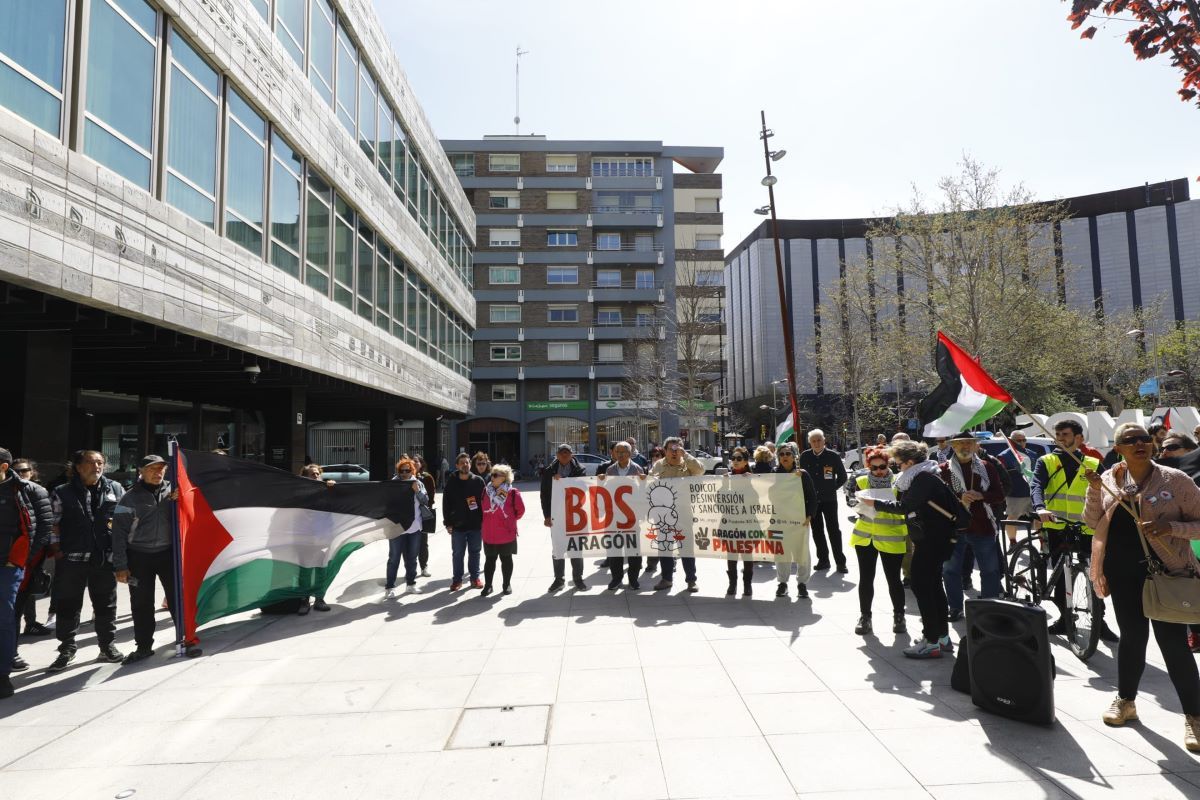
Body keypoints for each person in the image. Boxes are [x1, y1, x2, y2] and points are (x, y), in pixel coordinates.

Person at [1085, 422, 1200, 752]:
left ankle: (1194, 716)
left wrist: (1170, 527)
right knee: (1131, 639)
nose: (1139, 443)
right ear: (1117, 448)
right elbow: (1092, 522)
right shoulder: (1109, 479)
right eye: (1129, 440)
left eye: (1144, 439)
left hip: (1166, 574)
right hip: (1122, 575)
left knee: (1173, 645)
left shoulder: (1175, 480)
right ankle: (1126, 701)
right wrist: (1094, 490)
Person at [859, 440, 958, 658]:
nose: (897, 467)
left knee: (922, 587)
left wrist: (873, 503)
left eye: (898, 463)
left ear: (910, 462)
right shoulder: (926, 474)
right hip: (937, 539)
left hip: (931, 540)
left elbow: (904, 507)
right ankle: (942, 637)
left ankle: (931, 641)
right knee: (933, 586)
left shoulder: (922, 478)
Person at [1032, 419, 1117, 641]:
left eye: (1065, 434)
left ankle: (1100, 620)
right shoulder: (1046, 461)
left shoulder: (1092, 462)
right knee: (1061, 575)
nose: (1060, 438)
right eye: (1057, 434)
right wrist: (1040, 508)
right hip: (1057, 526)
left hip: (1087, 527)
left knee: (1096, 574)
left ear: (1079, 438)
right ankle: (1064, 618)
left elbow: (1108, 491)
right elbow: (1036, 486)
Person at [48, 450, 125, 671]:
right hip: (71, 559)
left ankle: (107, 646)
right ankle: (67, 648)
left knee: (106, 604)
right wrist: (57, 551)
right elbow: (53, 523)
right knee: (68, 605)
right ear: (78, 467)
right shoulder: (62, 491)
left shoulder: (115, 489)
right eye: (91, 463)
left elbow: (122, 522)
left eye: (100, 463)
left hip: (103, 558)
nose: (97, 467)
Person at [112, 456, 191, 664]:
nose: (158, 473)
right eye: (152, 469)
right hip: (138, 557)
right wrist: (120, 565)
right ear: (141, 470)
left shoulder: (174, 491)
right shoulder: (128, 498)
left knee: (178, 599)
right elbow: (118, 533)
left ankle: (185, 639)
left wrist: (180, 499)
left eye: (161, 469)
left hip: (168, 554)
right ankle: (144, 646)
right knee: (141, 603)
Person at [0, 447, 52, 697]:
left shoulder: (29, 491)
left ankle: (2, 674)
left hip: (9, 567)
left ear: (4, 468)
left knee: (5, 618)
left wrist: (21, 561)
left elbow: (42, 529)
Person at [938, 432, 1005, 622]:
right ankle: (955, 608)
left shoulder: (986, 467)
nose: (965, 447)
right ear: (953, 446)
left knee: (990, 570)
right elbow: (938, 499)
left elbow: (999, 494)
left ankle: (989, 606)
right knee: (950, 570)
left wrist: (981, 495)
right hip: (954, 528)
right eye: (960, 444)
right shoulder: (943, 470)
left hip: (982, 526)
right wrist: (959, 498)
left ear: (976, 446)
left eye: (969, 443)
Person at [850, 447, 908, 635]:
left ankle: (899, 616)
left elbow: (904, 507)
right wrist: (857, 504)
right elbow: (852, 503)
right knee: (866, 579)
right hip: (865, 537)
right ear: (868, 467)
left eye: (882, 466)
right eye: (874, 468)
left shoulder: (898, 482)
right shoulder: (861, 481)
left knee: (894, 580)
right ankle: (864, 617)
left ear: (888, 464)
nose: (879, 471)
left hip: (891, 537)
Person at [648, 437, 705, 592]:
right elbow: (649, 482)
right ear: (665, 451)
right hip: (663, 513)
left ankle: (691, 580)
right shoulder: (658, 466)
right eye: (671, 449)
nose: (674, 452)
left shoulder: (688, 464)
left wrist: (685, 455)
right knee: (665, 546)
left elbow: (700, 470)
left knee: (686, 547)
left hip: (684, 511)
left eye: (677, 449)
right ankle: (666, 579)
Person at [10, 459, 53, 641]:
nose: (22, 473)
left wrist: (30, 554)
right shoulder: (9, 490)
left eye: (25, 470)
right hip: (12, 553)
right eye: (17, 470)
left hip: (30, 553)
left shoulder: (37, 491)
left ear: (32, 472)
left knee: (25, 592)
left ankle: (25, 629)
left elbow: (44, 525)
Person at [799, 429, 849, 573]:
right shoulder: (805, 456)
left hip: (829, 500)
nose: (816, 443)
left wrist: (831, 488)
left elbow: (843, 476)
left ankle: (840, 562)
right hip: (812, 501)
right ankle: (823, 560)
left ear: (824, 440)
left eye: (819, 440)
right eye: (813, 441)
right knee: (817, 531)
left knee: (833, 530)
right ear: (810, 442)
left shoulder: (833, 456)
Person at [773, 443, 816, 599]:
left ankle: (802, 584)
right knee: (781, 552)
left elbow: (812, 497)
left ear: (794, 457)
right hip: (779, 521)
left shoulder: (802, 475)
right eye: (782, 454)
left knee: (802, 551)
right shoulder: (773, 474)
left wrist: (809, 515)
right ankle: (782, 583)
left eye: (787, 454)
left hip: (799, 521)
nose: (785, 457)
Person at [542, 444, 587, 592]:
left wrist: (566, 481)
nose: (564, 455)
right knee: (558, 548)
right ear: (557, 455)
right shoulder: (549, 471)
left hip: (575, 515)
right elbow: (544, 495)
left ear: (572, 454)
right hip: (557, 516)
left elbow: (585, 490)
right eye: (561, 453)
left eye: (567, 453)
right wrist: (547, 516)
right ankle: (559, 579)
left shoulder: (580, 470)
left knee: (576, 547)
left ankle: (578, 579)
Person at [602, 442, 645, 590]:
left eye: (623, 452)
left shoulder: (637, 469)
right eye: (617, 451)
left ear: (630, 453)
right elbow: (605, 492)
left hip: (632, 518)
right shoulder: (609, 470)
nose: (620, 454)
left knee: (634, 550)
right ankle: (616, 578)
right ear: (613, 453)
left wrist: (644, 482)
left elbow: (643, 493)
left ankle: (633, 579)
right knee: (615, 550)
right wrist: (601, 481)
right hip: (615, 517)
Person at [385, 458, 430, 596]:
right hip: (397, 528)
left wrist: (417, 491)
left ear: (413, 470)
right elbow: (387, 503)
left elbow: (426, 501)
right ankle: (390, 587)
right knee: (394, 558)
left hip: (414, 528)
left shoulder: (418, 483)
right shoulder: (394, 484)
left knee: (412, 558)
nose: (404, 473)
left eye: (407, 470)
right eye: (401, 471)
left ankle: (410, 584)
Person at [295, 464, 334, 614]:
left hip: (322, 536)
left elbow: (341, 500)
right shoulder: (300, 493)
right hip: (304, 537)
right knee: (305, 570)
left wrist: (333, 488)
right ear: (305, 477)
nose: (316, 476)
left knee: (320, 569)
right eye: (313, 474)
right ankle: (304, 600)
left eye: (318, 474)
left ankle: (319, 599)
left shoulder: (326, 490)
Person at [443, 452, 485, 591]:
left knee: (475, 552)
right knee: (457, 554)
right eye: (462, 463)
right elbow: (446, 504)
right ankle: (457, 580)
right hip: (457, 526)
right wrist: (448, 523)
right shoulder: (451, 482)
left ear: (470, 464)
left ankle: (475, 578)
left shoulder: (478, 481)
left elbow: (484, 503)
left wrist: (484, 522)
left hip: (475, 525)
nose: (465, 465)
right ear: (457, 465)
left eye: (467, 462)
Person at [480, 464, 524, 596]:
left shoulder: (512, 492)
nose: (491, 477)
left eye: (495, 475)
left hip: (506, 533)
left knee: (506, 559)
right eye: (491, 474)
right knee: (489, 561)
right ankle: (488, 586)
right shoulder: (486, 491)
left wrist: (509, 520)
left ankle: (506, 584)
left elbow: (520, 510)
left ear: (504, 478)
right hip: (489, 532)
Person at [998, 431, 1035, 540]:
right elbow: (1000, 476)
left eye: (1024, 440)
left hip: (1033, 492)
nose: (1022, 442)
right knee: (1013, 518)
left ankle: (1042, 541)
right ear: (1011, 441)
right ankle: (1012, 541)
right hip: (1015, 494)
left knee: (1039, 517)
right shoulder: (1004, 456)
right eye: (1019, 440)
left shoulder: (1032, 454)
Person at [414, 456, 437, 578]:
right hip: (410, 517)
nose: (414, 463)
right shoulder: (406, 477)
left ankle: (424, 566)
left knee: (423, 543)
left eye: (416, 461)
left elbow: (431, 496)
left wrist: (426, 507)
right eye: (412, 462)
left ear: (421, 464)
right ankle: (410, 569)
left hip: (423, 514)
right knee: (409, 544)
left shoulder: (427, 477)